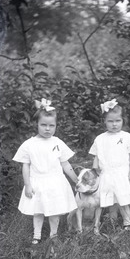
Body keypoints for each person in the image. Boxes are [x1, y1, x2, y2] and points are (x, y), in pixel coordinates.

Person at [12, 98, 79, 244]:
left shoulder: (57, 142)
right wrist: (28, 185)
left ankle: (53, 234)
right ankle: (37, 234)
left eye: (51, 125)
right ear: (37, 124)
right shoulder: (29, 144)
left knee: (54, 210)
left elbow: (65, 163)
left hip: (55, 181)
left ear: (56, 126)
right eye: (43, 125)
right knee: (38, 210)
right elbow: (25, 166)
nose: (47, 129)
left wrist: (75, 179)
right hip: (38, 181)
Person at [89, 98, 130, 230]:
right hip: (106, 174)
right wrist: (95, 170)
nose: (114, 124)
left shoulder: (126, 137)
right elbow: (97, 156)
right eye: (110, 121)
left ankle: (127, 222)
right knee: (111, 200)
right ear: (104, 122)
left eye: (118, 121)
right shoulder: (100, 139)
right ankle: (112, 223)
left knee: (123, 200)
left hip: (122, 173)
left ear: (123, 120)